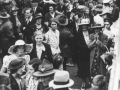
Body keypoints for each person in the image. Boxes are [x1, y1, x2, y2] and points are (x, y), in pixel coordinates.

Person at [76, 18, 91, 89]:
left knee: (91, 67)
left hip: (91, 53)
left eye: (85, 25)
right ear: (81, 26)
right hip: (82, 54)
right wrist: (87, 46)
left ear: (87, 26)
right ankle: (83, 82)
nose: (84, 27)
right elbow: (78, 45)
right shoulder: (78, 34)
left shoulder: (91, 32)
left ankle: (91, 80)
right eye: (83, 25)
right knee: (83, 68)